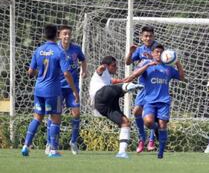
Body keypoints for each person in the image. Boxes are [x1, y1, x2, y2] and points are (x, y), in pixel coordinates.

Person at [21, 24, 79, 157]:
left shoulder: (38, 50)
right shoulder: (59, 52)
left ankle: (25, 146)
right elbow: (66, 74)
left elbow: (30, 72)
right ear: (57, 34)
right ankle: (53, 150)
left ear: (45, 35)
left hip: (38, 90)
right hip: (53, 91)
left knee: (37, 118)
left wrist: (38, 72)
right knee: (55, 119)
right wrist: (75, 91)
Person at [122, 44, 185, 159]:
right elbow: (134, 75)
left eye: (161, 52)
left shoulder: (168, 68)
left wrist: (178, 63)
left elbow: (181, 77)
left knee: (162, 124)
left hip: (164, 101)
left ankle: (160, 153)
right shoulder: (146, 65)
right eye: (156, 52)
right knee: (149, 122)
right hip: (149, 101)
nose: (159, 54)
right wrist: (147, 65)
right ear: (152, 54)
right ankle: (154, 132)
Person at [89, 56, 143, 159]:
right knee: (110, 89)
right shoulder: (101, 72)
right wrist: (102, 67)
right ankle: (129, 87)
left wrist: (137, 74)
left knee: (125, 122)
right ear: (106, 66)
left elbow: (122, 80)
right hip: (100, 97)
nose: (116, 67)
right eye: (114, 65)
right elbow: (99, 70)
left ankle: (121, 152)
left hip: (105, 106)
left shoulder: (108, 78)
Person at [45, 25, 87, 155]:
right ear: (59, 35)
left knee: (76, 113)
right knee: (54, 116)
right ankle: (50, 143)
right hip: (57, 88)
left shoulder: (76, 49)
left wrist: (84, 70)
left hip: (72, 88)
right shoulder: (54, 49)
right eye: (64, 34)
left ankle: (73, 142)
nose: (67, 36)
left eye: (69, 34)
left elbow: (83, 59)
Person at [125, 25, 158, 152]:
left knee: (151, 114)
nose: (148, 38)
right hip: (142, 86)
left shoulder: (158, 49)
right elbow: (127, 62)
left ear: (153, 37)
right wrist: (131, 53)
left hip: (155, 86)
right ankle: (141, 138)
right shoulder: (139, 50)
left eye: (150, 36)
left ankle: (151, 140)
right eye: (146, 36)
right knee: (136, 112)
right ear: (142, 37)